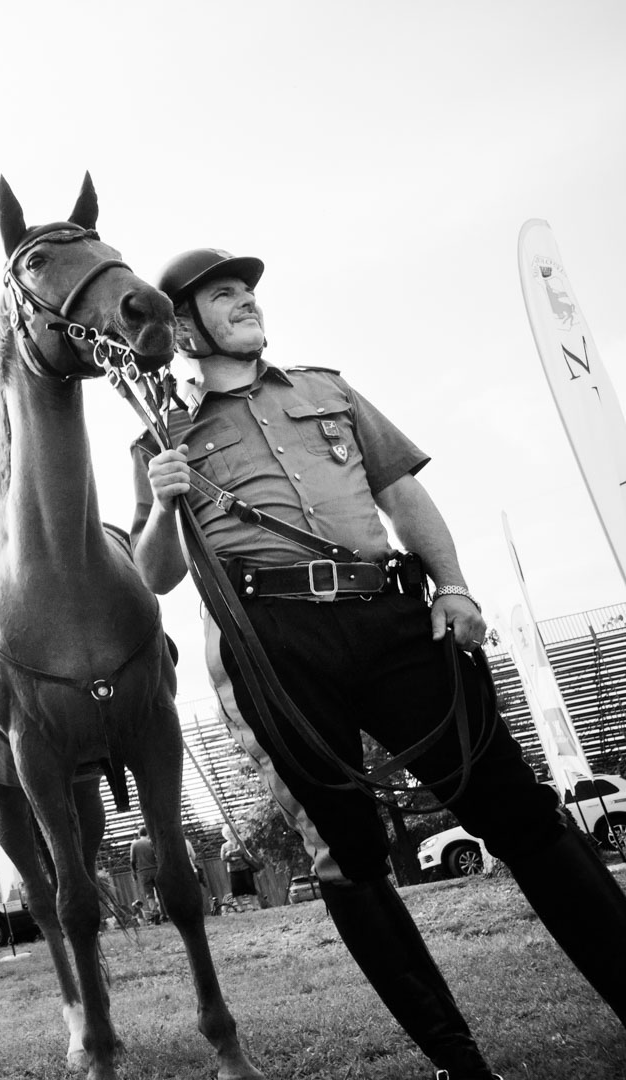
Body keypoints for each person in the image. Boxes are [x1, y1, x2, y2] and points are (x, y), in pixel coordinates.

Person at [130, 247, 626, 1080]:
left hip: (393, 619)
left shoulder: (326, 389)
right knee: (347, 855)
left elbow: (401, 496)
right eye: (224, 296)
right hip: (274, 650)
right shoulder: (160, 435)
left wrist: (455, 586)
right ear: (182, 326)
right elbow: (154, 574)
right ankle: (458, 1064)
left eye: (248, 292)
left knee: (517, 809)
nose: (247, 303)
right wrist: (164, 497)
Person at [220, 825, 260, 912]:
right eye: (227, 833)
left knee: (250, 887)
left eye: (230, 832)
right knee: (236, 889)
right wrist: (232, 858)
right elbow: (223, 857)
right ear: (225, 835)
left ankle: (254, 906)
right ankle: (241, 908)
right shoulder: (224, 845)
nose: (229, 834)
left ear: (234, 832)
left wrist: (230, 853)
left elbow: (241, 851)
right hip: (233, 870)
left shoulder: (240, 841)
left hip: (244, 867)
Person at [128, 826, 160, 924]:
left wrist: (134, 873)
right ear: (148, 834)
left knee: (149, 895)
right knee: (160, 893)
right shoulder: (151, 842)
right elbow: (157, 856)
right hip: (155, 870)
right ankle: (165, 914)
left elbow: (132, 861)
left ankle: (155, 912)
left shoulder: (134, 845)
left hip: (143, 872)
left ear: (139, 835)